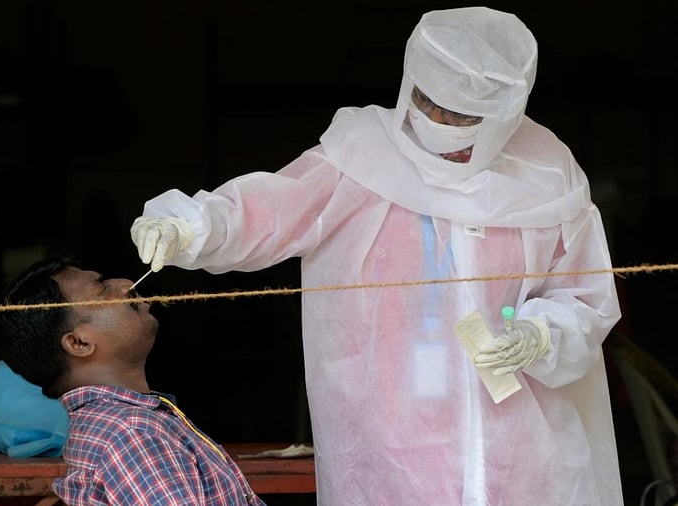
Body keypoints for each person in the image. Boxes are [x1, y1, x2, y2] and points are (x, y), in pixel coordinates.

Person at [129, 6, 622, 506]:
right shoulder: (359, 157)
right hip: (389, 456)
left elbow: (585, 295)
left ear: (506, 115)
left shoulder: (546, 174)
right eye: (429, 103)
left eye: (464, 117)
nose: (440, 123)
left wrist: (541, 333)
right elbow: (266, 210)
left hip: (523, 459)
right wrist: (190, 225)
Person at [0, 254, 267, 506]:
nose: (126, 284)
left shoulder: (114, 425)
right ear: (79, 343)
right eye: (102, 288)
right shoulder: (131, 433)